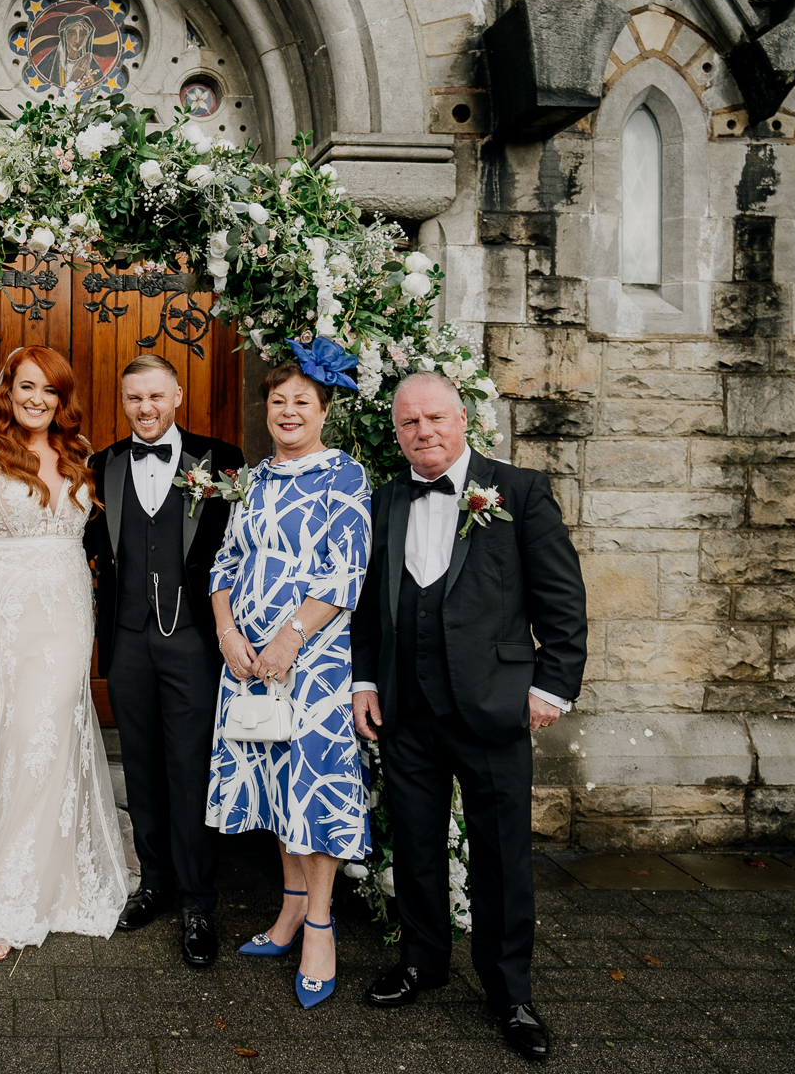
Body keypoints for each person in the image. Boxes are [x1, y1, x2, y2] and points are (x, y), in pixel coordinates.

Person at [351, 370, 587, 1063]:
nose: (423, 432)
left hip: (492, 706)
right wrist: (365, 681)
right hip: (407, 710)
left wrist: (551, 689)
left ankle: (509, 991)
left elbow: (563, 602)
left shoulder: (518, 492)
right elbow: (370, 602)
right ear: (397, 434)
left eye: (434, 418)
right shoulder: (388, 500)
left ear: (462, 419)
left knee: (501, 856)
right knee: (416, 845)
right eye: (409, 424)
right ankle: (423, 961)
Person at [0, 346, 130, 960]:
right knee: (12, 741)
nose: (37, 400)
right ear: (7, 390)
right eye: (27, 387)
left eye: (49, 391)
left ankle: (51, 882)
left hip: (68, 617)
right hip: (0, 617)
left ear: (61, 398)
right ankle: (2, 888)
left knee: (51, 740)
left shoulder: (78, 454)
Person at [205, 349, 372, 1009]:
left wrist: (288, 639)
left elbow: (345, 569)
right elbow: (225, 560)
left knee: (313, 786)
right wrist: (227, 635)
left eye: (302, 401)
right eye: (279, 401)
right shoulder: (251, 478)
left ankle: (321, 927)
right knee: (277, 784)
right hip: (248, 661)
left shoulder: (344, 475)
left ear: (324, 409)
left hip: (316, 660)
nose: (289, 412)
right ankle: (291, 907)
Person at [83, 354, 244, 967]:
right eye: (133, 400)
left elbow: (241, 549)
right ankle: (153, 882)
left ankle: (199, 900)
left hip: (195, 643)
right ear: (122, 402)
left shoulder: (221, 460)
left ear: (177, 394)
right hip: (126, 641)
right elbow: (89, 546)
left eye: (155, 397)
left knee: (191, 769)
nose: (145, 409)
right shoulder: (103, 465)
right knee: (142, 767)